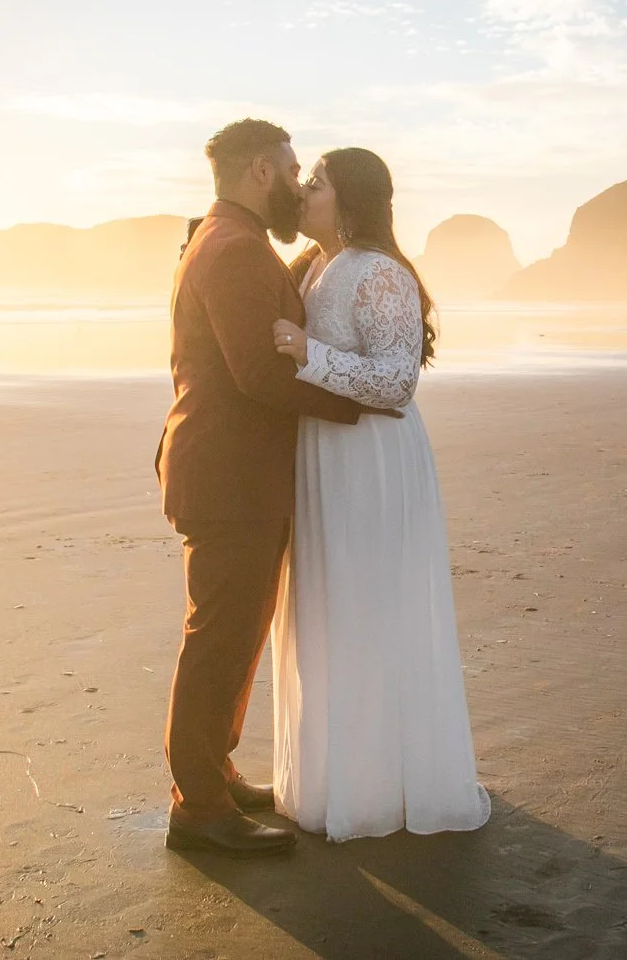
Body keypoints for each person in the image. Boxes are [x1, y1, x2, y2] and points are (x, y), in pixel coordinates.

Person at [157, 119, 382, 857]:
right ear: (260, 171)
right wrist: (357, 401)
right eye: (290, 171)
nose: (297, 184)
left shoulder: (231, 240)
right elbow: (258, 372)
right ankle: (198, 808)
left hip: (238, 474)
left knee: (238, 631)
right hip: (227, 476)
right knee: (218, 637)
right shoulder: (232, 249)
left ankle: (215, 773)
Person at [269, 147, 491, 841]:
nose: (303, 191)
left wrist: (308, 353)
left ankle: (382, 787)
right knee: (330, 606)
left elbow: (396, 382)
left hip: (371, 459)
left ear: (352, 200)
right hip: (323, 456)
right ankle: (336, 778)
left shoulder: (380, 271)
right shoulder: (312, 267)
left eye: (317, 183)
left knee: (370, 606)